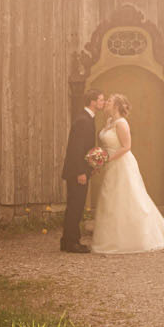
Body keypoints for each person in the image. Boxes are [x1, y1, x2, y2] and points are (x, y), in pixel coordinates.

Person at [91, 93, 164, 254]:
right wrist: (101, 157)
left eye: (109, 101)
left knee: (129, 197)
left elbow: (126, 147)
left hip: (122, 163)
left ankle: (140, 237)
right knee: (111, 197)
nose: (106, 103)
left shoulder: (122, 123)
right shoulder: (109, 122)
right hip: (111, 164)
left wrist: (107, 158)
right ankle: (111, 238)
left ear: (116, 105)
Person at [61, 88, 106, 253]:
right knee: (76, 207)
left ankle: (67, 241)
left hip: (80, 170)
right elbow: (76, 149)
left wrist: (91, 167)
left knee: (75, 206)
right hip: (76, 172)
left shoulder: (87, 118)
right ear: (93, 102)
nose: (103, 102)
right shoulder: (83, 121)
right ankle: (72, 243)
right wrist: (81, 172)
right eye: (101, 100)